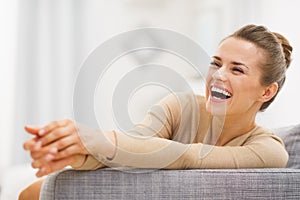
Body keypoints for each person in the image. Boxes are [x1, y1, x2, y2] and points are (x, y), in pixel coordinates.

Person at [19, 24, 293, 199]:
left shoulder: (269, 150)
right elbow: (134, 148)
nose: (218, 76)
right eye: (216, 63)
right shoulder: (180, 105)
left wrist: (97, 139)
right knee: (32, 192)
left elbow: (190, 158)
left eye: (236, 69)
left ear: (266, 91)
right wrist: (78, 155)